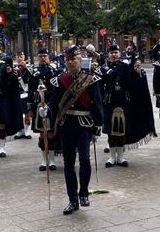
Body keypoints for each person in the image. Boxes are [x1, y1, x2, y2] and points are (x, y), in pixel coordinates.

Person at [39, 45, 103, 215]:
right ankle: (72, 199)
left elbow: (97, 104)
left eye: (74, 59)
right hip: (66, 125)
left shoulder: (91, 80)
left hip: (84, 124)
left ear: (80, 60)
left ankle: (83, 193)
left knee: (84, 159)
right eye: (68, 60)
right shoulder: (60, 80)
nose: (71, 63)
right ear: (65, 62)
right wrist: (46, 111)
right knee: (68, 163)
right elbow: (53, 102)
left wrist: (98, 125)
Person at [100, 44, 156, 168]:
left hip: (123, 101)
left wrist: (137, 73)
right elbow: (99, 87)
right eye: (111, 52)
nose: (114, 54)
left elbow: (134, 82)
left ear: (120, 54)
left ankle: (120, 157)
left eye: (116, 52)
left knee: (122, 131)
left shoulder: (125, 67)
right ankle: (111, 157)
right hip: (109, 102)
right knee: (111, 131)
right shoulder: (103, 68)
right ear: (108, 54)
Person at [28, 48, 59, 171]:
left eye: (44, 55)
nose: (42, 58)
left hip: (51, 104)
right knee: (42, 133)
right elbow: (30, 90)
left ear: (48, 57)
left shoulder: (54, 71)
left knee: (51, 132)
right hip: (38, 104)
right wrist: (29, 108)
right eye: (40, 55)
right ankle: (44, 159)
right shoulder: (33, 71)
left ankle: (51, 160)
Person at [0, 57, 24, 157]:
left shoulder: (14, 73)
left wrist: (14, 74)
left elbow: (23, 86)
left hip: (7, 100)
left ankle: (2, 147)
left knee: (2, 123)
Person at [14, 51, 32, 140]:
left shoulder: (29, 67)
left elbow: (32, 78)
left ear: (24, 57)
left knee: (26, 113)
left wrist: (25, 68)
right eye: (18, 56)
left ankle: (27, 131)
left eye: (21, 56)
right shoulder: (14, 68)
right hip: (16, 93)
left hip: (25, 92)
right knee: (17, 113)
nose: (19, 58)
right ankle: (20, 131)